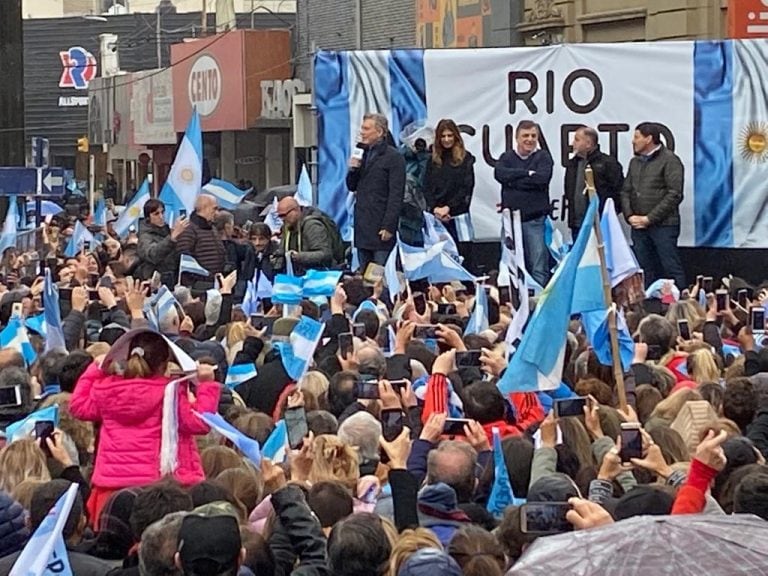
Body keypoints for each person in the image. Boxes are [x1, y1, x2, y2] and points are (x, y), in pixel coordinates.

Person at [69, 329, 221, 527]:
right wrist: (207, 385)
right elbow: (200, 423)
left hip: (112, 490)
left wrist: (95, 368)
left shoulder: (107, 391)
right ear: (165, 364)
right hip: (160, 493)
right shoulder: (171, 394)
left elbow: (77, 405)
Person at [621, 122, 686, 289]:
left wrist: (649, 218)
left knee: (670, 266)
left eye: (636, 137)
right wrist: (630, 216)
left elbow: (674, 194)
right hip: (638, 227)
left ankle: (679, 307)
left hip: (664, 226)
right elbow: (626, 190)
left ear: (649, 139)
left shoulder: (670, 160)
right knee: (643, 268)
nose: (633, 141)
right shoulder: (635, 162)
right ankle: (645, 306)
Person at [494, 120, 554, 287]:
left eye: (533, 136)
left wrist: (513, 181)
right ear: (517, 138)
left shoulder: (543, 157)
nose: (529, 139)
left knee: (538, 265)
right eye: (525, 135)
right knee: (510, 265)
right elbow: (500, 174)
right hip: (510, 223)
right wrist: (527, 173)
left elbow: (542, 179)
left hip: (535, 221)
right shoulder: (506, 158)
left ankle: (538, 302)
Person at [346, 113, 405, 271]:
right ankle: (367, 296)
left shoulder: (394, 157)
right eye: (362, 128)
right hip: (362, 225)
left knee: (378, 274)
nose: (362, 132)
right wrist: (353, 169)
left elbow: (396, 194)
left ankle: (380, 296)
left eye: (366, 129)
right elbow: (352, 186)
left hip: (380, 225)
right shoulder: (361, 152)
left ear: (379, 132)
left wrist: (389, 225)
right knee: (364, 273)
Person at [424, 118, 476, 258]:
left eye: (450, 135)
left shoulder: (466, 159)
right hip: (436, 216)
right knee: (439, 254)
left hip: (459, 215)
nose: (446, 139)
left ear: (456, 137)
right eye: (443, 136)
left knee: (463, 254)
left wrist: (449, 208)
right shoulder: (432, 160)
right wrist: (435, 208)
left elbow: (466, 188)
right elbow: (426, 186)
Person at [564, 126, 624, 239]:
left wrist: (606, 215)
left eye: (577, 139)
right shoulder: (572, 164)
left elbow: (619, 191)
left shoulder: (608, 163)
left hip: (599, 223)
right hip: (577, 224)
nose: (573, 143)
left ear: (588, 143)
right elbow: (569, 190)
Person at [272, 197, 334, 275]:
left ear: (296, 210)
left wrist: (298, 256)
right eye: (280, 216)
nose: (282, 219)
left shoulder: (312, 225)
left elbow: (325, 254)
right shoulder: (287, 226)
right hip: (297, 276)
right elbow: (282, 251)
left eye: (284, 215)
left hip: (318, 276)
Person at [175, 194, 227, 286]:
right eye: (214, 208)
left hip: (214, 283)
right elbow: (185, 260)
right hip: (198, 286)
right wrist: (204, 278)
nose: (217, 213)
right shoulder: (188, 229)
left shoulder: (212, 228)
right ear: (204, 208)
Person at [135, 199, 189, 284]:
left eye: (162, 212)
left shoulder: (167, 231)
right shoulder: (145, 236)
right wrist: (171, 238)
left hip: (171, 278)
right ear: (148, 217)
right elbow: (153, 254)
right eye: (156, 214)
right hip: (154, 281)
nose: (161, 216)